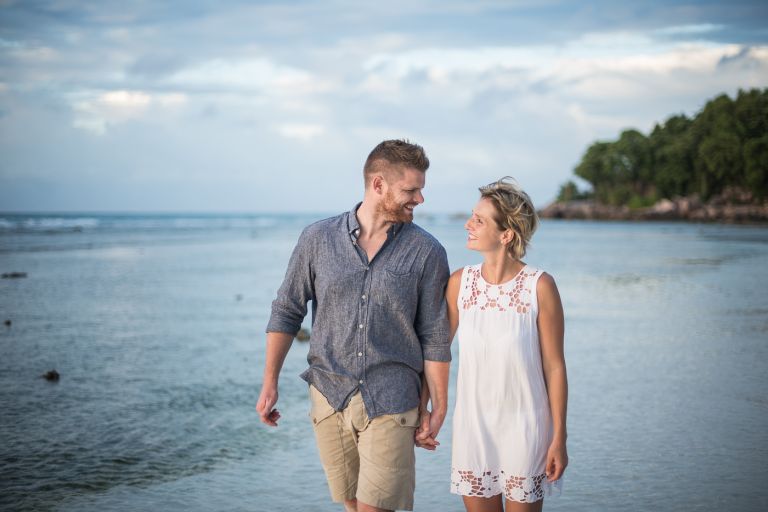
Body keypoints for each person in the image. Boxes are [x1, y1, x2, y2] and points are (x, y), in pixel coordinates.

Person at [256, 139, 452, 512]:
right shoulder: (317, 239)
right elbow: (287, 310)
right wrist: (270, 382)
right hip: (329, 396)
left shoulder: (427, 252)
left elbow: (435, 336)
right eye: (410, 190)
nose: (420, 199)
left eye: (420, 190)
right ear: (378, 185)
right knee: (351, 504)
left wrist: (436, 405)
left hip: (393, 399)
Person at [417, 177, 568, 512]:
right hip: (473, 427)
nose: (468, 225)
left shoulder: (539, 286)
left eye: (479, 220)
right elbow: (437, 351)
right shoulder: (460, 283)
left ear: (506, 235)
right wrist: (424, 409)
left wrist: (560, 437)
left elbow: (555, 367)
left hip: (526, 427)